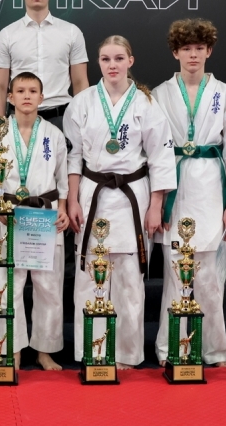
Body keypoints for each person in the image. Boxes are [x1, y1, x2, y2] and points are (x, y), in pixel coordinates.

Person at [64, 35, 176, 369]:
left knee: (129, 277)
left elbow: (160, 158)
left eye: (118, 58)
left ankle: (126, 353)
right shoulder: (82, 102)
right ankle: (93, 352)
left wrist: (156, 205)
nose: (112, 65)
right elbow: (74, 156)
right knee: (90, 275)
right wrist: (72, 200)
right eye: (105, 59)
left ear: (130, 61)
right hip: (92, 192)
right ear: (98, 63)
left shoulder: (145, 103)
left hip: (132, 195)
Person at [151, 19, 226, 368]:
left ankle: (214, 350)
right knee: (175, 271)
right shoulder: (160, 94)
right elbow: (155, 152)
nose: (192, 54)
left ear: (209, 51)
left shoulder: (225, 93)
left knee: (208, 274)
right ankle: (171, 349)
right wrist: (157, 203)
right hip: (175, 184)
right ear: (175, 52)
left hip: (211, 184)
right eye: (186, 48)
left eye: (199, 48)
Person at [0, 72, 69, 370]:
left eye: (33, 91)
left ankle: (45, 350)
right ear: (10, 97)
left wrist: (63, 208)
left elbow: (62, 177)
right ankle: (11, 348)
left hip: (44, 213)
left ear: (42, 97)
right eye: (20, 91)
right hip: (8, 214)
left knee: (48, 286)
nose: (26, 96)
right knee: (7, 285)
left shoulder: (53, 134)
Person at [0, 0, 89, 128]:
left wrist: (82, 123)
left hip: (61, 118)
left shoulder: (71, 32)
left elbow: (80, 82)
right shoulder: (7, 34)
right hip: (19, 119)